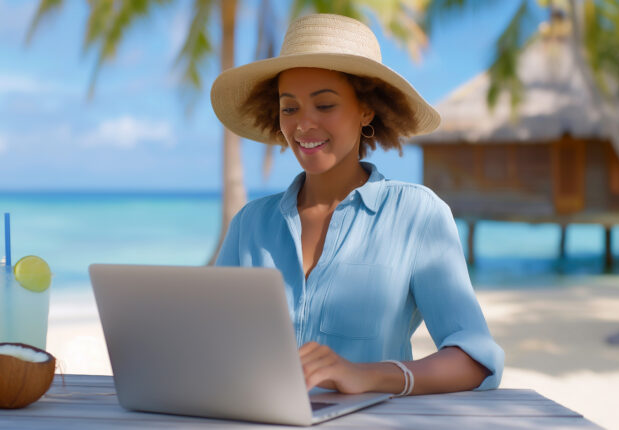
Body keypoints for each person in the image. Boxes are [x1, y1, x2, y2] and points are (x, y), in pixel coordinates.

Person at [209, 13, 503, 396]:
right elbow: (211, 344)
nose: (303, 124)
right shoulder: (251, 224)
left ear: (366, 110)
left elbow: (475, 359)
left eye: (325, 105)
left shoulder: (417, 215)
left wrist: (367, 376)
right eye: (290, 107)